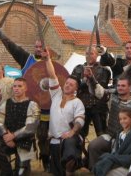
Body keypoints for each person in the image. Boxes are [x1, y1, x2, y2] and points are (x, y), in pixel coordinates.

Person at [0, 27, 51, 170]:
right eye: (36, 46)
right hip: (26, 105)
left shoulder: (51, 63)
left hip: (44, 106)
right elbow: (14, 48)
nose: (38, 49)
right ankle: (21, 162)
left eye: (40, 47)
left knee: (43, 136)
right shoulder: (27, 59)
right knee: (24, 134)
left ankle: (46, 161)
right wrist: (2, 36)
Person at [41, 47, 85, 176]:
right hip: (54, 141)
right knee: (57, 172)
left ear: (76, 89)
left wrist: (72, 132)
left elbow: (80, 120)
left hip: (69, 140)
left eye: (71, 85)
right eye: (67, 83)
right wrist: (48, 59)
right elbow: (52, 75)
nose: (67, 85)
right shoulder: (56, 94)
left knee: (69, 162)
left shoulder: (78, 102)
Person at [87, 74, 131, 170]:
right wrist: (92, 78)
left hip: (128, 139)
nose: (120, 88)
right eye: (118, 85)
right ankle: (97, 170)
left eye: (123, 86)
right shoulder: (112, 97)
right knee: (93, 146)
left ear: (130, 87)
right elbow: (100, 92)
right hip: (110, 134)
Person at [0, 77, 40, 176]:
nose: (16, 88)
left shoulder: (33, 105)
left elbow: (30, 127)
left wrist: (13, 136)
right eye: (14, 86)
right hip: (7, 138)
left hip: (25, 141)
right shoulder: (6, 103)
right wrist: (5, 135)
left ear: (25, 88)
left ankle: (23, 168)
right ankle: (7, 172)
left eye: (19, 86)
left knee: (21, 172)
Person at [71, 45, 111, 138]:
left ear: (97, 55)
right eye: (87, 53)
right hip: (82, 106)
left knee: (102, 135)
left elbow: (101, 89)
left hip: (98, 106)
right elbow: (73, 85)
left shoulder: (104, 70)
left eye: (91, 53)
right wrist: (83, 80)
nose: (89, 55)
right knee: (79, 135)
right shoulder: (79, 68)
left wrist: (91, 78)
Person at [92, 108, 131, 176]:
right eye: (120, 119)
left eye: (125, 118)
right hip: (116, 159)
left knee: (106, 166)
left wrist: (112, 157)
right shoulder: (119, 133)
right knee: (103, 162)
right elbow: (116, 150)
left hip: (125, 163)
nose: (122, 121)